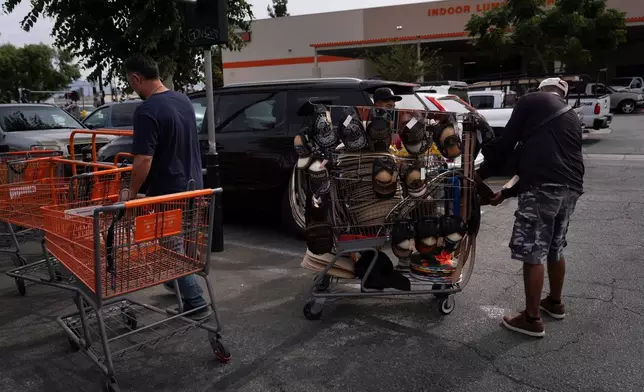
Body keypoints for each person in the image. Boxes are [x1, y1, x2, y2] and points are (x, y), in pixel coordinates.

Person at [475, 77, 584, 338]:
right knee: (555, 246)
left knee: (533, 250)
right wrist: (507, 192)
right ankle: (555, 303)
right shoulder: (571, 117)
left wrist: (481, 175)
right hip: (571, 186)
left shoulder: (531, 101)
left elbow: (506, 144)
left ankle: (532, 319)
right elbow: (540, 155)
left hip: (542, 185)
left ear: (541, 90)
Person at [124, 53, 212, 320]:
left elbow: (143, 160)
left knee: (169, 246)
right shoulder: (182, 99)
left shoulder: (147, 110)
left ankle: (196, 303)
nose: (133, 88)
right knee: (182, 241)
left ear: (137, 78)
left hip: (168, 190)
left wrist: (130, 195)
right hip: (193, 184)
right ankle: (177, 283)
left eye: (131, 83)